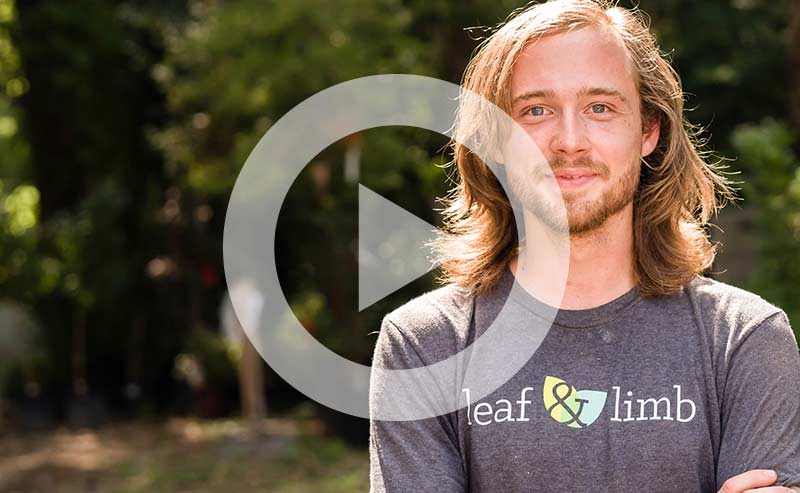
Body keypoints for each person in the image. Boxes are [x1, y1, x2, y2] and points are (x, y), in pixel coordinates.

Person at [368, 1, 800, 492]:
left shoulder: (744, 340)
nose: (569, 141)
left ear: (648, 131)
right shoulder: (424, 345)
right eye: (536, 110)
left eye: (600, 108)